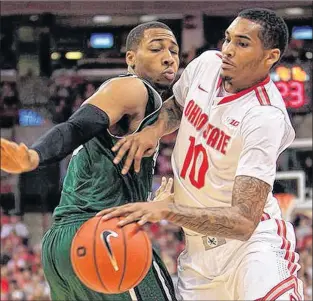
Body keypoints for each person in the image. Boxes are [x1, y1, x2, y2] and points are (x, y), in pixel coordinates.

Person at [97, 9, 304, 300]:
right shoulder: (207, 64)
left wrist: (169, 211)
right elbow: (178, 106)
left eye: (242, 44)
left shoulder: (264, 117)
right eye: (228, 39)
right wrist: (153, 131)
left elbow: (245, 221)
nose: (228, 50)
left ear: (270, 56)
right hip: (196, 256)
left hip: (253, 250)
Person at [0, 21, 179, 301]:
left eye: (174, 50)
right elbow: (77, 126)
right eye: (156, 48)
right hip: (105, 234)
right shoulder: (133, 88)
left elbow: (175, 110)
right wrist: (34, 156)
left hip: (60, 245)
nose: (169, 57)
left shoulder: (148, 106)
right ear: (130, 58)